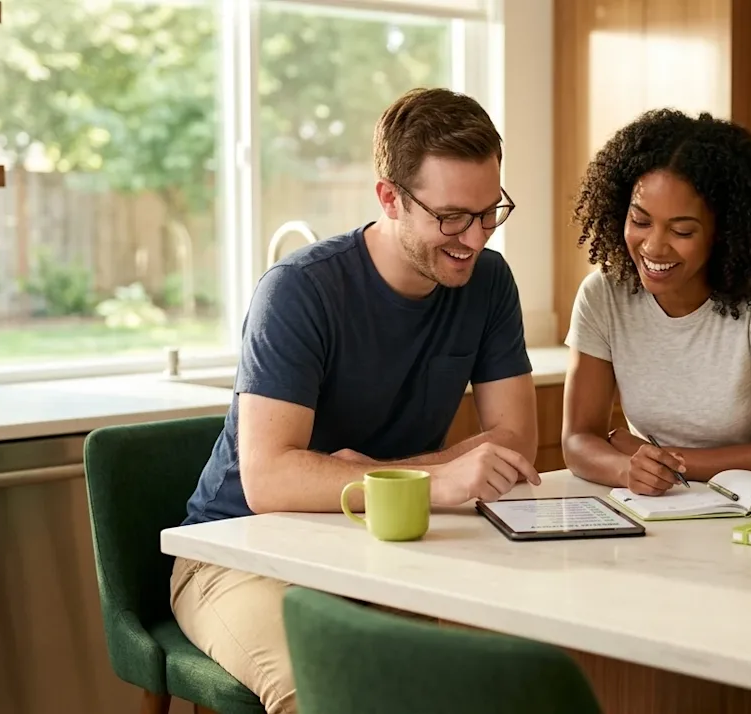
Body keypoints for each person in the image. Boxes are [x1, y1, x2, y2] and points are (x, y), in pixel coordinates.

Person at [171, 87, 541, 714]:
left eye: (488, 213)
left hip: (384, 550)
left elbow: (514, 444)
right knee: (328, 696)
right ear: (389, 197)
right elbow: (270, 480)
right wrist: (439, 475)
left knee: (501, 677)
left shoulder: (488, 282)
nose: (473, 239)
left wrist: (359, 476)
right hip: (241, 555)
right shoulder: (299, 292)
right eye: (451, 217)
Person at [560, 107, 751, 498]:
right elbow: (579, 438)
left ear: (724, 233)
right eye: (641, 221)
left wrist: (657, 458)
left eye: (682, 230)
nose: (653, 246)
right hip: (666, 500)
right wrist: (626, 468)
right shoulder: (603, 295)